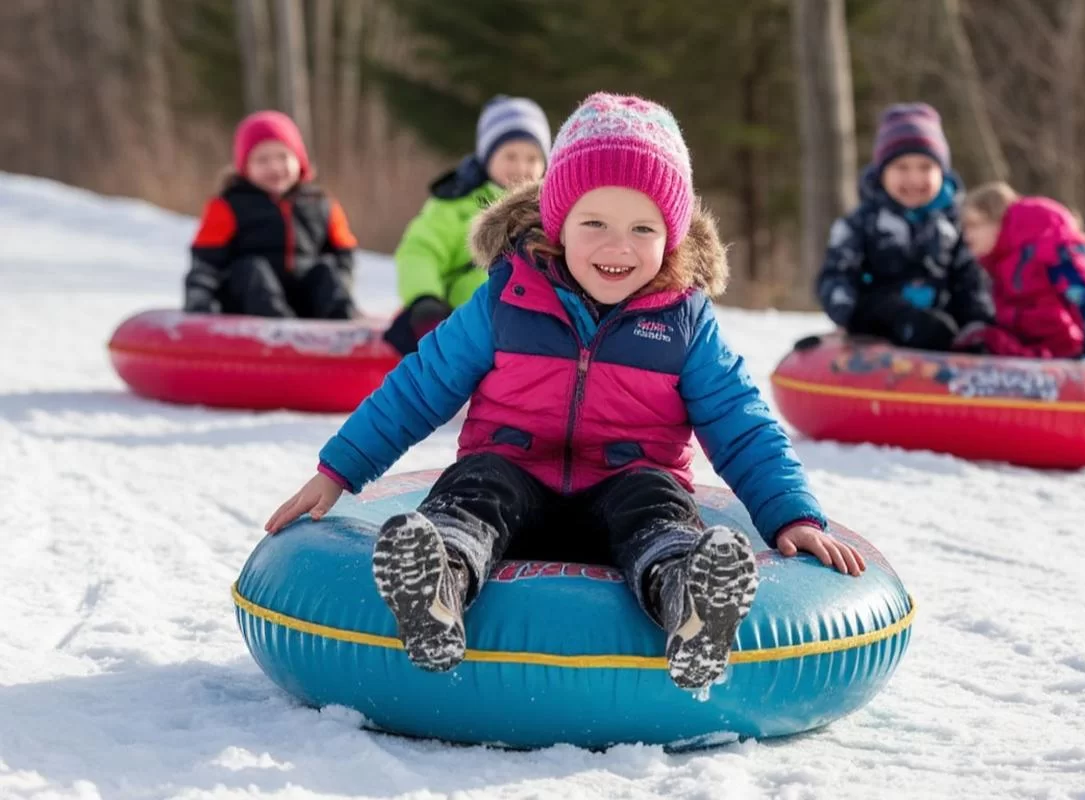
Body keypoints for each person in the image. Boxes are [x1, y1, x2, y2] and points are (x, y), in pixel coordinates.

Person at [267, 92, 864, 693]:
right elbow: (419, 388)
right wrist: (337, 471)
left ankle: (693, 601)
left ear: (672, 235)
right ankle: (435, 585)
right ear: (557, 220)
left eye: (642, 228)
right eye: (594, 223)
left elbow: (741, 423)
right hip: (512, 473)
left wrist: (791, 514)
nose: (618, 247)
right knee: (474, 487)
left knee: (656, 503)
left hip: (626, 485)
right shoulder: (507, 298)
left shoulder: (683, 318)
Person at [816, 103, 994, 351]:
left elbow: (972, 280)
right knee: (885, 308)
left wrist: (978, 324)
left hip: (943, 332)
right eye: (901, 167)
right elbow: (836, 275)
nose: (914, 179)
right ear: (882, 172)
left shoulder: (958, 225)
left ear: (942, 173)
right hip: (877, 330)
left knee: (945, 325)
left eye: (926, 167)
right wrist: (848, 315)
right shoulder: (861, 224)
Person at [383, 95, 551, 354]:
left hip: (531, 333)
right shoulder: (456, 205)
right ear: (487, 156)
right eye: (510, 156)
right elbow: (420, 251)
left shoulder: (553, 210)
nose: (521, 167)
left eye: (531, 158)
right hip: (460, 329)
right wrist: (424, 299)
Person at [184, 110, 359, 319]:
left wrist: (341, 288)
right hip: (248, 302)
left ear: (299, 160)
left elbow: (344, 255)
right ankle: (278, 329)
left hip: (304, 301)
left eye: (283, 157)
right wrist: (199, 299)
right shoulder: (228, 205)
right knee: (251, 269)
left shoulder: (321, 204)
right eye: (262, 160)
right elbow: (206, 261)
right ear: (245, 167)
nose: (275, 167)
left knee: (326, 271)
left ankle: (343, 328)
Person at [957, 181, 1085, 359]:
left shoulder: (1048, 249)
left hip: (1064, 350)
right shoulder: (999, 266)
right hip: (1034, 353)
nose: (967, 236)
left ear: (998, 221)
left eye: (974, 225)